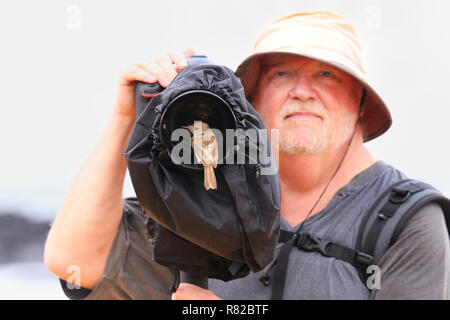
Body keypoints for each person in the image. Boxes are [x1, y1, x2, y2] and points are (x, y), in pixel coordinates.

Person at [44, 11, 450, 300]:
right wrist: (125, 117)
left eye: (327, 74)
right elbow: (73, 260)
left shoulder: (405, 221)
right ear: (252, 98)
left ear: (361, 100)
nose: (303, 91)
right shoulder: (208, 189)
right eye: (282, 73)